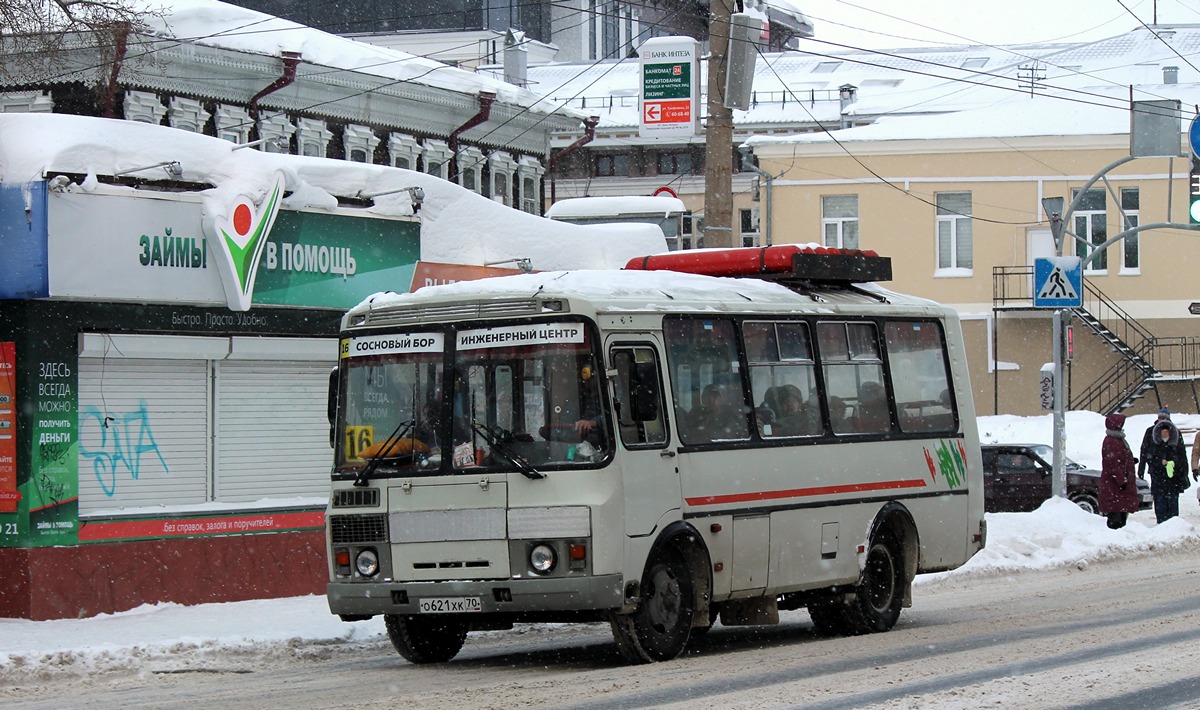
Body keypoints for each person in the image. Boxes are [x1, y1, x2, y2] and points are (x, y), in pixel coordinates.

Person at [1145, 416, 1190, 524]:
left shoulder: (1175, 444)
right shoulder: (1155, 445)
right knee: (1160, 505)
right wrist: (1160, 462)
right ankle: (1161, 524)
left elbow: (1183, 459)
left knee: (1173, 505)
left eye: (1167, 431)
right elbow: (1149, 459)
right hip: (1159, 480)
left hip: (1173, 481)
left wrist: (1174, 463)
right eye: (1163, 431)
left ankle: (1173, 524)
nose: (1165, 433)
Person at [1099, 413, 1138, 529]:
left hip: (1117, 488)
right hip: (1115, 487)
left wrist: (1130, 461)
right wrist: (1122, 481)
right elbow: (1113, 464)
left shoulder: (1118, 440)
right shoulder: (1112, 441)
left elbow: (1118, 460)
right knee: (1116, 519)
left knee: (1120, 514)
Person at [1138, 408, 1172, 479]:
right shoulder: (1150, 431)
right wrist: (1141, 470)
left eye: (1164, 418)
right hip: (1155, 468)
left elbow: (1181, 453)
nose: (1161, 420)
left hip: (1170, 468)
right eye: (1160, 418)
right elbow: (1144, 450)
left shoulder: (1173, 431)